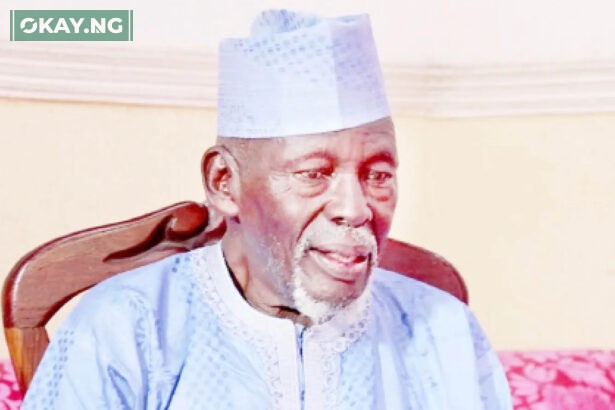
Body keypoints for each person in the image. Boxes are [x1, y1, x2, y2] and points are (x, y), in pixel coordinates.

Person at [23, 9, 512, 409]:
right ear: (224, 183)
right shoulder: (126, 326)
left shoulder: (442, 330)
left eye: (378, 175)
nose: (356, 209)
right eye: (314, 173)